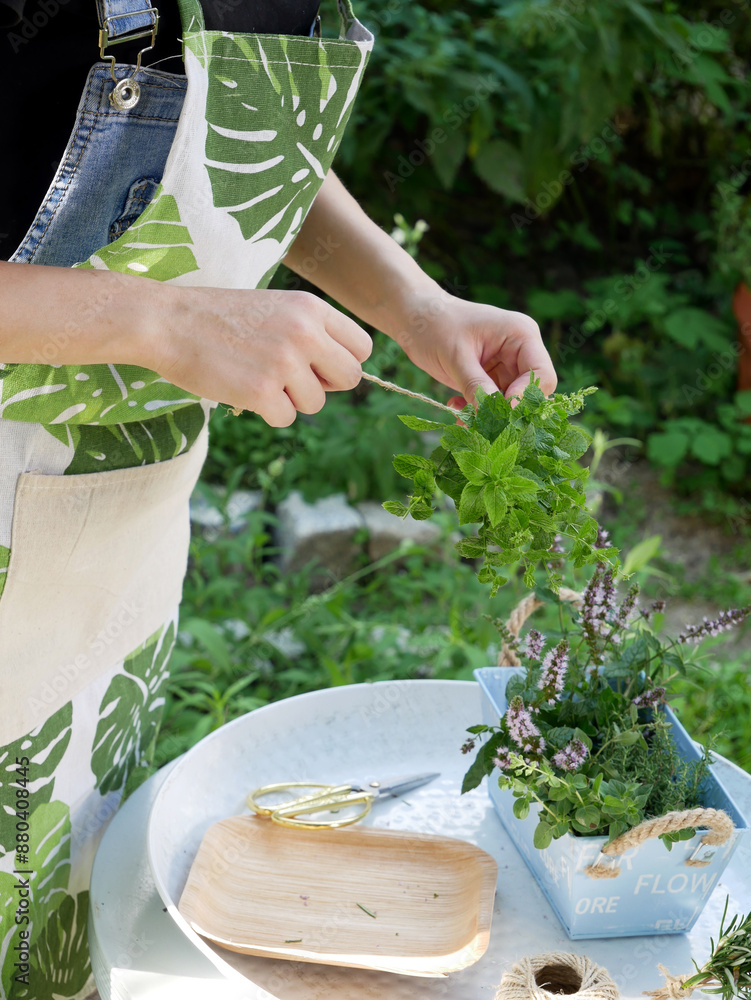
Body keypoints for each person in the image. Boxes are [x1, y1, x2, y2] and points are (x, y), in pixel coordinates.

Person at [0, 0, 556, 996]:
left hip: (103, 534)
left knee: (52, 901)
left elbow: (224, 142)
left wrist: (411, 302)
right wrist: (158, 317)